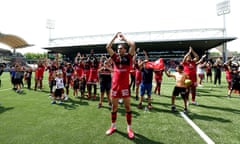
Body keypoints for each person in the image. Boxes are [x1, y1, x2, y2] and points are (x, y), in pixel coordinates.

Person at [105, 32, 135, 139]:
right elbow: (108, 46)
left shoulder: (129, 57)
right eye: (118, 48)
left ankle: (129, 128)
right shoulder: (115, 58)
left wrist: (124, 38)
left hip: (125, 87)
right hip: (115, 87)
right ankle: (113, 126)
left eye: (121, 48)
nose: (119, 50)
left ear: (125, 50)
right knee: (114, 108)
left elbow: (133, 44)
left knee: (127, 107)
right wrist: (114, 37)